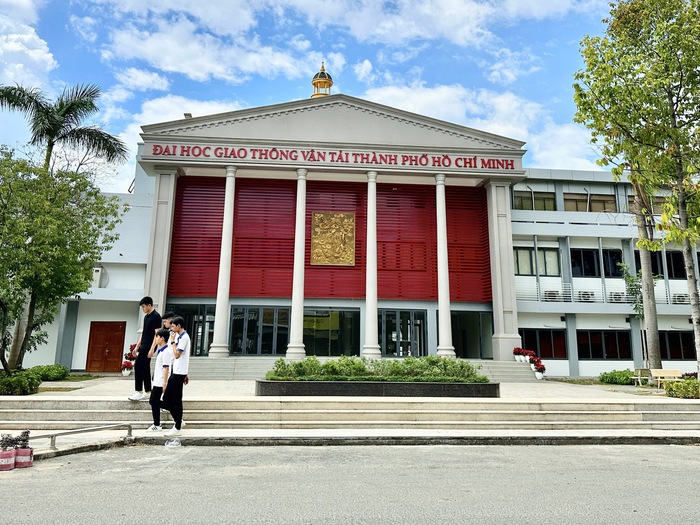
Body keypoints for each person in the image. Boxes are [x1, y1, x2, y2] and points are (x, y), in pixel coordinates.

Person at [128, 296, 162, 401]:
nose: (143, 309)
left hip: (149, 345)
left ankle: (138, 391)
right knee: (145, 367)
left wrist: (152, 348)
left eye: (143, 307)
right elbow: (144, 332)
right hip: (144, 344)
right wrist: (137, 346)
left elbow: (157, 334)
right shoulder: (146, 317)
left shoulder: (156, 316)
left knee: (138, 366)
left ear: (149, 305)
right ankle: (148, 391)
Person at [162, 316, 190, 436]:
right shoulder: (181, 336)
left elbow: (177, 354)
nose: (171, 329)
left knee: (169, 399)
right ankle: (178, 422)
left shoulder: (183, 337)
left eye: (173, 326)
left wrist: (173, 341)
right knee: (175, 399)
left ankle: (178, 424)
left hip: (178, 373)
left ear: (179, 326)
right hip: (178, 371)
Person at [146, 328, 173, 431]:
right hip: (157, 381)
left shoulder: (166, 352)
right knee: (153, 401)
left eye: (157, 337)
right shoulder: (161, 351)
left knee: (154, 401)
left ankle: (157, 425)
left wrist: (164, 383)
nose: (155, 339)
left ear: (162, 338)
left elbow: (166, 368)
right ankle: (174, 411)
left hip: (160, 382)